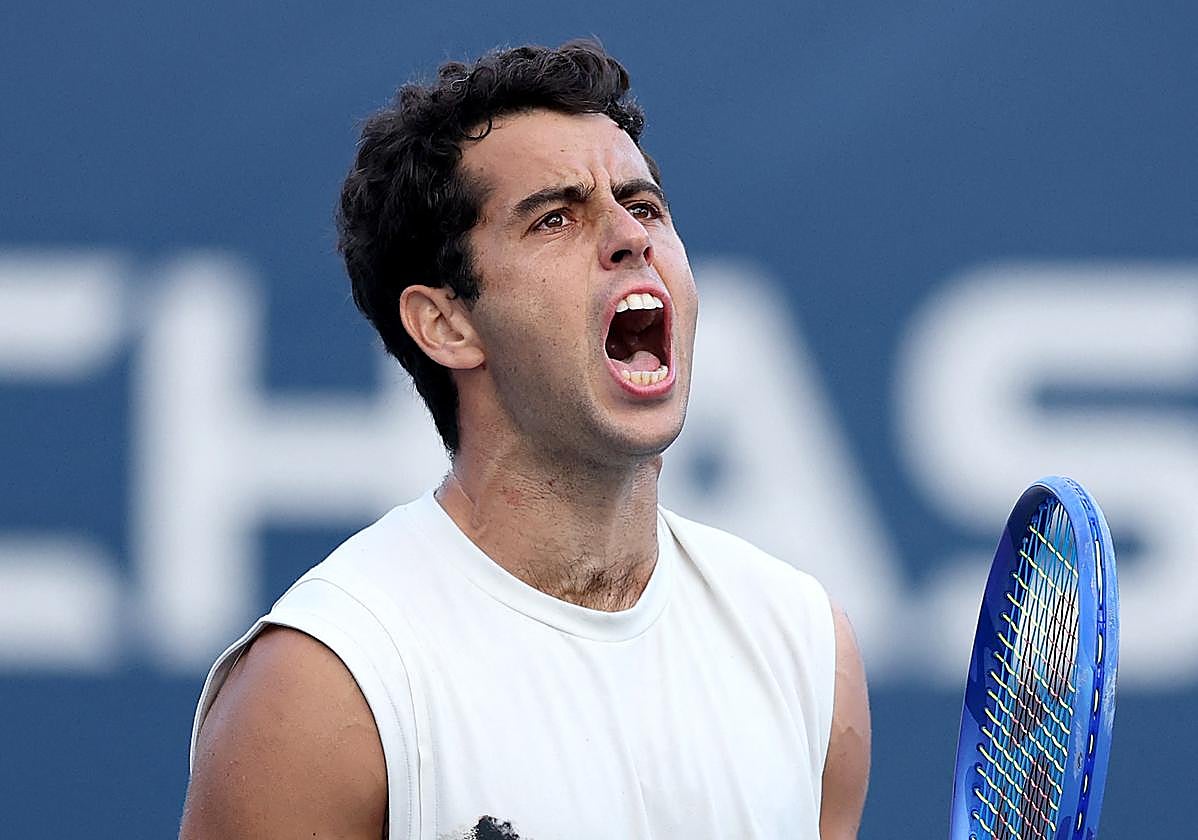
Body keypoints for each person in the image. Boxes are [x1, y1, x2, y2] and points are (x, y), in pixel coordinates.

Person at [180, 39, 870, 840]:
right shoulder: (324, 689)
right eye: (555, 218)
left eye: (643, 206)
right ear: (446, 323)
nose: (629, 236)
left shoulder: (805, 647)